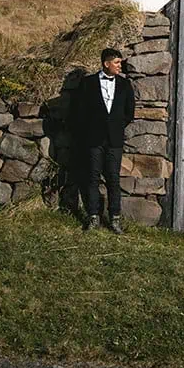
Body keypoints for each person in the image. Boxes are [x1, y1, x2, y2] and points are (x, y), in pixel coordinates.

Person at [72, 47, 135, 233]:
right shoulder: (88, 83)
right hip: (93, 139)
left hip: (114, 140)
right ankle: (93, 217)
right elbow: (79, 111)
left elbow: (129, 112)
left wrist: (115, 126)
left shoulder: (125, 85)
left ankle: (114, 219)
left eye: (120, 62)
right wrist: (90, 130)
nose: (120, 66)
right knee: (92, 178)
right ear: (106, 63)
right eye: (116, 62)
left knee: (113, 179)